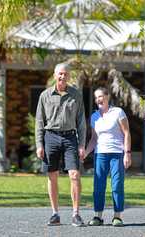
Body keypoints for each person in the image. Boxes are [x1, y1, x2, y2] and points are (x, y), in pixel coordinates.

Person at [35, 63, 86, 227]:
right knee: (52, 175)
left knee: (74, 175)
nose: (62, 77)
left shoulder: (76, 95)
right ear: (55, 75)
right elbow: (39, 121)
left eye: (65, 74)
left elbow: (81, 122)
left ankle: (76, 214)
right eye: (60, 74)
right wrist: (39, 144)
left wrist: (82, 144)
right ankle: (55, 214)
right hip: (51, 137)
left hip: (70, 138)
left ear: (69, 76)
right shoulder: (45, 95)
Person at [84, 87, 132, 227]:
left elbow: (127, 133)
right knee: (98, 186)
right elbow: (94, 139)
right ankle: (98, 216)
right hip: (100, 154)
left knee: (117, 185)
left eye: (100, 96)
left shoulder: (118, 112)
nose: (98, 99)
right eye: (96, 97)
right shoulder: (94, 117)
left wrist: (127, 153)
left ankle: (117, 216)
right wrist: (86, 153)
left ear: (107, 96)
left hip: (117, 154)